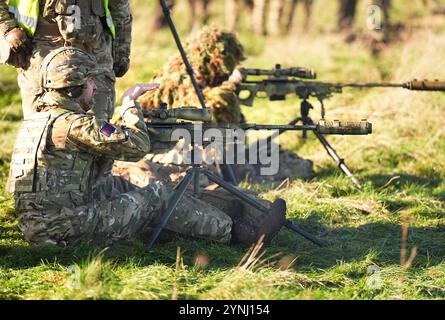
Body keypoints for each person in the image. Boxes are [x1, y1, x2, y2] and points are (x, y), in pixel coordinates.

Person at [7, 47, 287, 247]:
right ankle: (237, 233)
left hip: (41, 223)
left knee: (123, 187)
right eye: (89, 81)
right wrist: (129, 106)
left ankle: (216, 214)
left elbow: (98, 152)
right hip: (61, 231)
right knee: (155, 196)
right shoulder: (75, 124)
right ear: (74, 87)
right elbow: (136, 147)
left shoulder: (38, 120)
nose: (94, 87)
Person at [131, 26, 314, 185]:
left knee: (279, 159)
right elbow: (204, 110)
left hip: (195, 150)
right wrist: (230, 86)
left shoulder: (201, 76)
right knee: (250, 166)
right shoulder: (180, 78)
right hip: (167, 154)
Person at [0, 0, 132, 122]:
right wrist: (7, 29)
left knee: (98, 130)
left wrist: (122, 48)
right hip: (40, 56)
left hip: (95, 53)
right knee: (42, 128)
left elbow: (119, 4)